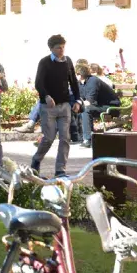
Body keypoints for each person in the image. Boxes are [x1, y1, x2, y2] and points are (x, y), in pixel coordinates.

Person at [30, 34, 81, 177]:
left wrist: (77, 100)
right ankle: (36, 160)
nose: (61, 50)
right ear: (51, 48)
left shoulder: (68, 61)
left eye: (63, 47)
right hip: (48, 107)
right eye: (58, 47)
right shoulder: (44, 62)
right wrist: (46, 96)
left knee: (65, 138)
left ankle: (60, 170)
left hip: (64, 105)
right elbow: (38, 83)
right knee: (49, 138)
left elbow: (74, 81)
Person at [77, 62, 120, 147]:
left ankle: (88, 139)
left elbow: (89, 102)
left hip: (112, 107)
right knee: (77, 108)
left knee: (85, 109)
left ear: (79, 74)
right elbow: (80, 99)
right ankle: (81, 137)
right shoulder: (80, 84)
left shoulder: (93, 81)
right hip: (99, 106)